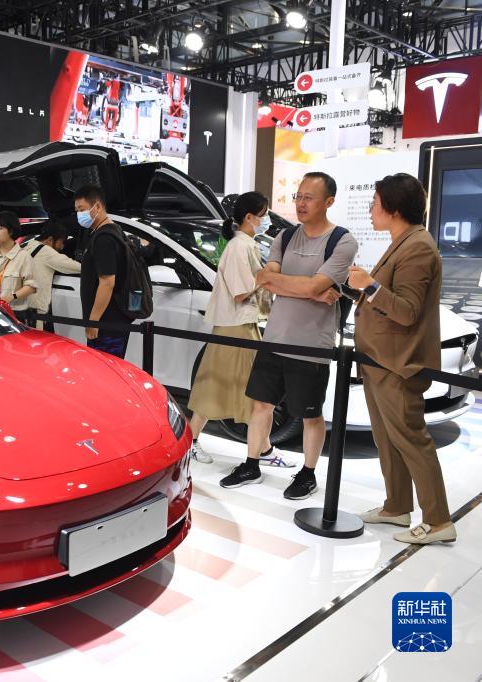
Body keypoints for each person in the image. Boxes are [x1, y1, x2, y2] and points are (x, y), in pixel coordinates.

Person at [219, 172, 357, 499]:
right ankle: (252, 463)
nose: (301, 203)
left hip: (311, 345)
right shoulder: (286, 236)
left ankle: (308, 473)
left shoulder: (342, 241)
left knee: (310, 415)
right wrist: (311, 290)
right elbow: (264, 279)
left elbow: (299, 283)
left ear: (329, 201)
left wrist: (303, 286)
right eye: (298, 196)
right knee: (260, 405)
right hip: (275, 338)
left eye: (309, 197)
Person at [349, 174, 455, 545]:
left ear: (394, 207)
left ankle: (438, 521)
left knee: (411, 439)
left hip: (398, 362)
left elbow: (407, 311)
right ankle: (396, 506)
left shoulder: (418, 247)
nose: (371, 209)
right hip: (381, 360)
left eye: (375, 202)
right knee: (388, 439)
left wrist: (370, 285)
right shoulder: (404, 242)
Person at [188, 191, 281, 466]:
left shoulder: (243, 245)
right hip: (237, 327)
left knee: (232, 387)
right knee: (223, 387)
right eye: (264, 215)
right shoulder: (240, 247)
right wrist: (266, 278)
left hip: (240, 326)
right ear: (250, 217)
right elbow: (241, 292)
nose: (267, 220)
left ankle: (263, 449)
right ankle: (193, 442)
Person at [75, 185, 133, 359]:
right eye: (77, 211)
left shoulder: (104, 239)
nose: (79, 215)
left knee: (104, 367)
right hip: (114, 321)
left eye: (82, 209)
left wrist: (93, 321)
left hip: (106, 324)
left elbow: (107, 283)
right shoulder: (115, 231)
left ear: (97, 206)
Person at [21, 221, 81, 330]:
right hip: (34, 312)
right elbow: (75, 266)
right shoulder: (46, 252)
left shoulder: (27, 247)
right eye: (61, 242)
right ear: (50, 240)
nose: (62, 247)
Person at [0, 211, 37, 320]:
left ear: (11, 231)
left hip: (15, 312)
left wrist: (12, 297)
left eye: (0, 228)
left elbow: (31, 286)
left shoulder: (23, 256)